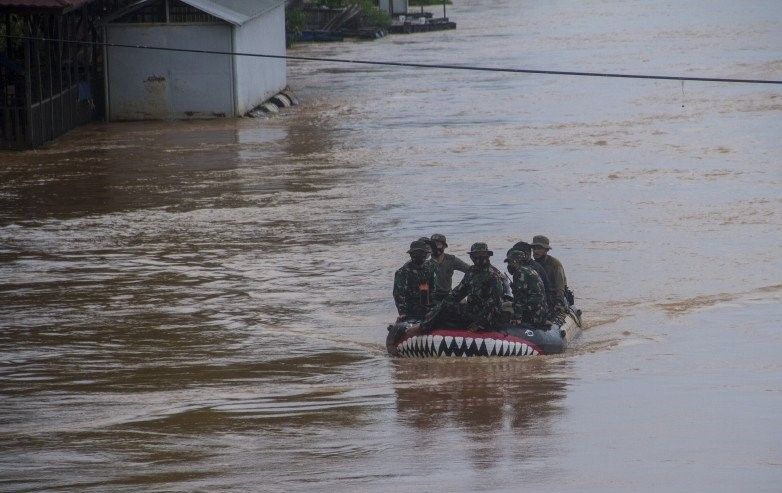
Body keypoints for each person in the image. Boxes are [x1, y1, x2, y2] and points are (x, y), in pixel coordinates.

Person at [418, 242, 506, 333]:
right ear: (472, 257)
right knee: (445, 307)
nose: (479, 257)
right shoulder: (472, 272)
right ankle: (427, 325)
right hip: (472, 310)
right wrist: (436, 310)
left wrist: (479, 323)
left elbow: (494, 305)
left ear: (487, 255)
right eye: (476, 255)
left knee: (447, 307)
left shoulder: (493, 275)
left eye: (482, 254)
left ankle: (421, 328)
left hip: (486, 316)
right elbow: (457, 294)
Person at [393, 240, 437, 322]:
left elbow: (433, 289)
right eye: (415, 253)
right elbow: (398, 294)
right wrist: (402, 313)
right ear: (411, 254)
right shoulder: (402, 272)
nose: (419, 256)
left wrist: (432, 309)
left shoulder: (430, 268)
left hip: (427, 307)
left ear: (425, 254)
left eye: (421, 253)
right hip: (410, 309)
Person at [504, 249, 548, 326]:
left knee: (504, 310)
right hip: (540, 311)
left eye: (511, 262)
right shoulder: (530, 269)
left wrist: (517, 317)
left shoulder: (520, 273)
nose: (509, 265)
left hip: (532, 314)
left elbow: (520, 298)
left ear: (518, 261)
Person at [425, 233, 471, 302]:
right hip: (432, 296)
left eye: (438, 244)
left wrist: (461, 288)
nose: (435, 247)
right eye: (433, 245)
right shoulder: (426, 263)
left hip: (448, 294)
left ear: (444, 246)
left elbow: (469, 270)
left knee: (463, 301)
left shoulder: (451, 259)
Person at [531, 235, 568, 313]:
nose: (535, 251)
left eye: (539, 248)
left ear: (546, 250)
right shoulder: (531, 265)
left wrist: (559, 302)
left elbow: (560, 286)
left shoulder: (555, 264)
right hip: (537, 298)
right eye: (534, 248)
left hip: (552, 298)